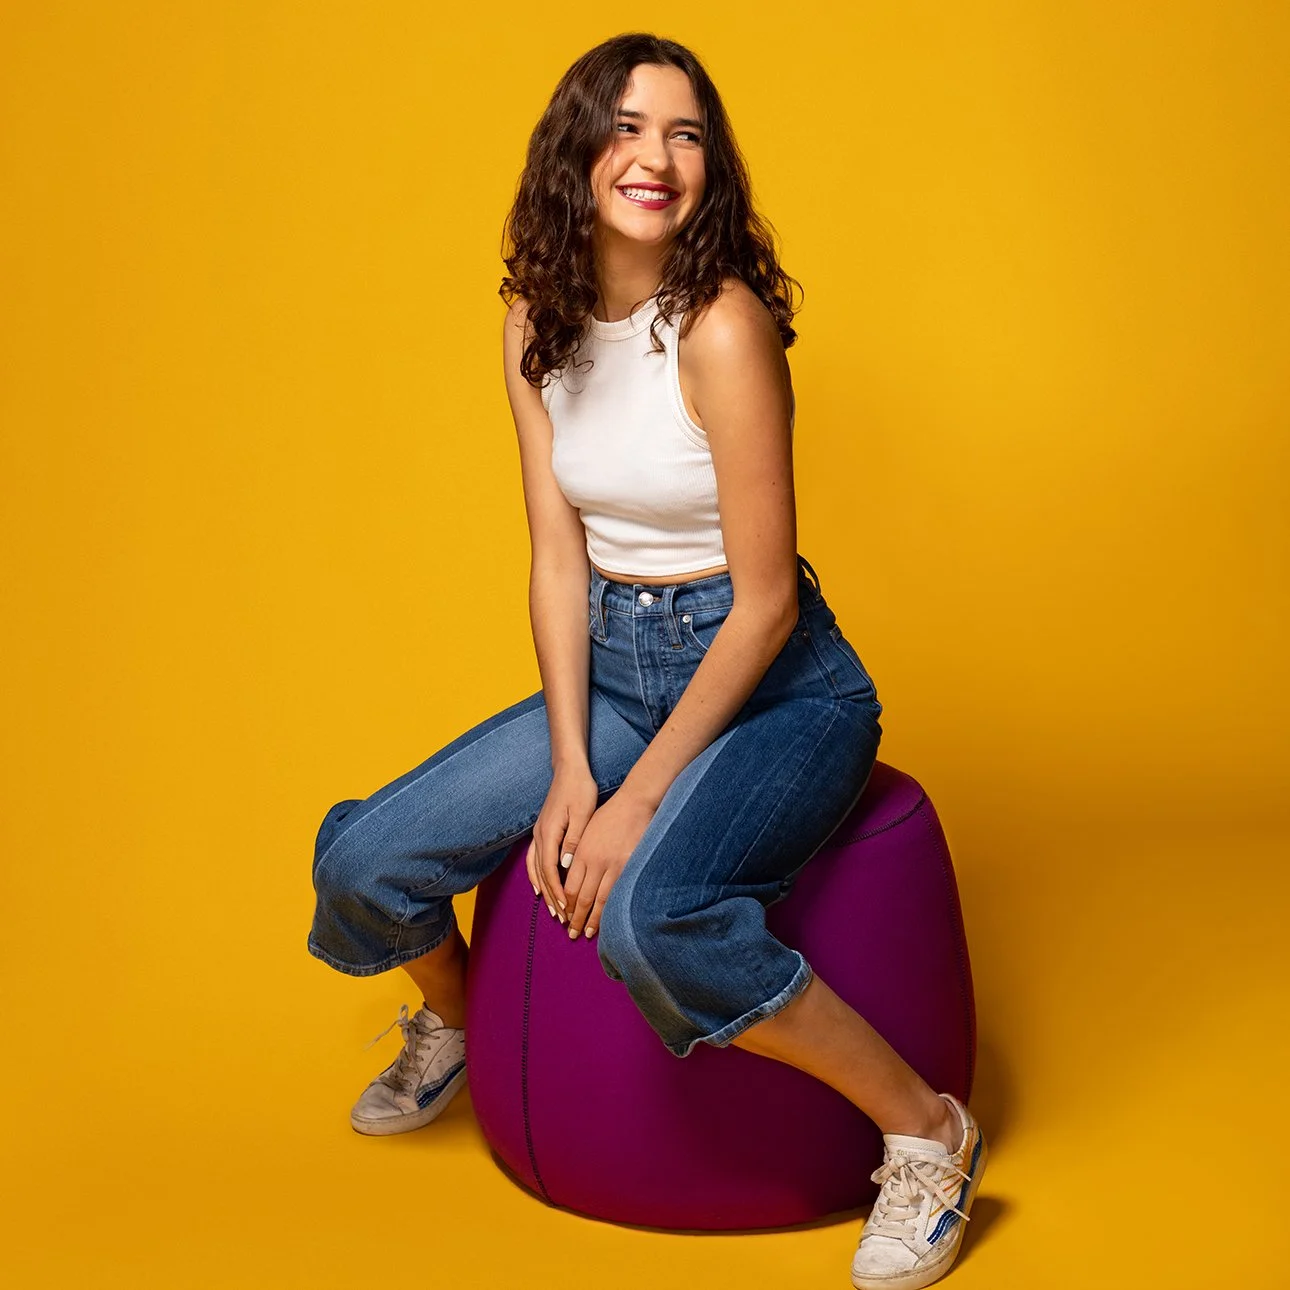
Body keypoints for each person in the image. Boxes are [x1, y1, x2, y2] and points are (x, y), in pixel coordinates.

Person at [307, 31, 987, 1290]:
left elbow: (769, 603)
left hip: (782, 686)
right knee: (361, 859)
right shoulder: (533, 327)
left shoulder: (722, 329)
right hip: (620, 663)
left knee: (651, 917)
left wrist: (638, 798)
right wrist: (573, 765)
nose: (656, 157)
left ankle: (927, 1132)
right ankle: (452, 1026)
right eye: (627, 127)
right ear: (580, 150)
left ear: (707, 166)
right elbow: (558, 560)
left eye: (684, 134)